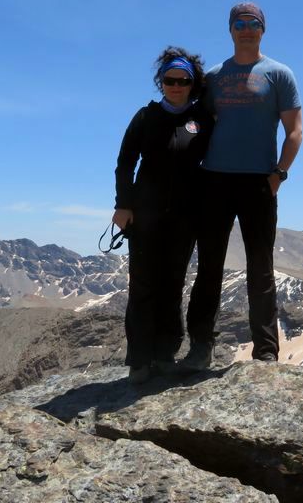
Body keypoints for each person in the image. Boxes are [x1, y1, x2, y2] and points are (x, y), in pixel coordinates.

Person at [180, 2, 302, 369]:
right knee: (210, 266)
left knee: (260, 268)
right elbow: (196, 125)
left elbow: (294, 131)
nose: (246, 29)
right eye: (239, 23)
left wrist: (279, 173)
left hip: (258, 183)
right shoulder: (215, 77)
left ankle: (266, 352)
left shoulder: (279, 74)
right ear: (230, 30)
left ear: (263, 30)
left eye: (253, 23)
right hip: (214, 179)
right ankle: (201, 346)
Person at [114, 46, 214, 384]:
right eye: (170, 80)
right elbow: (125, 162)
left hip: (185, 217)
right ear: (161, 82)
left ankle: (165, 353)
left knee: (172, 286)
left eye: (183, 80)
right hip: (145, 216)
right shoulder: (146, 117)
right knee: (142, 285)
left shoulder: (201, 120)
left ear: (191, 82)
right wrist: (122, 205)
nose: (176, 85)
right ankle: (139, 359)